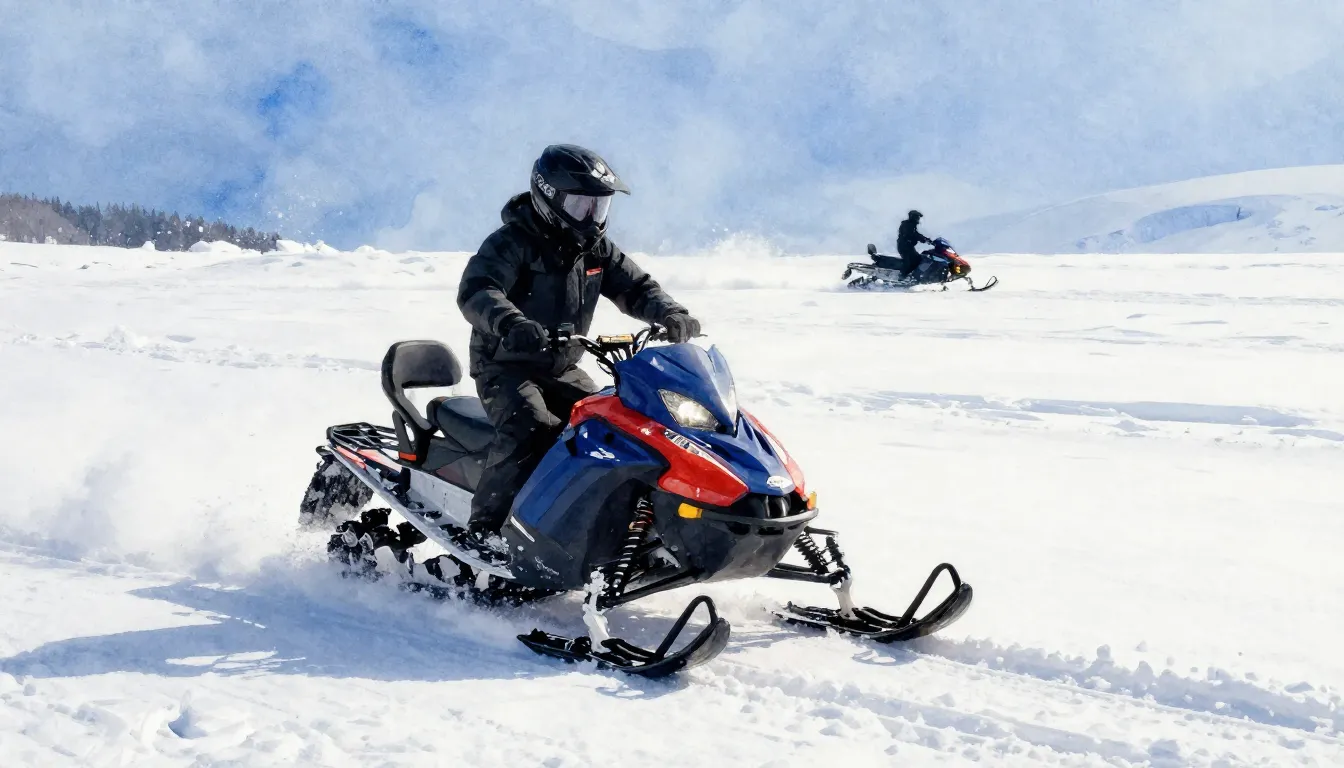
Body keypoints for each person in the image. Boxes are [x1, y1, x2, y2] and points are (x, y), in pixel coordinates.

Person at [457, 144, 701, 535]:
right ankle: (485, 530)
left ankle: (607, 526)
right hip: (505, 365)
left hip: (562, 367)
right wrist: (511, 322)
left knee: (617, 426)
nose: (591, 216)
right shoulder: (512, 242)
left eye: (598, 206)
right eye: (580, 205)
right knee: (531, 428)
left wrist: (671, 313)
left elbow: (636, 287)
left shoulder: (596, 249)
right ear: (548, 198)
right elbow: (479, 289)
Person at [897, 210, 932, 280]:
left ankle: (913, 276)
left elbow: (916, 234)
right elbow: (913, 235)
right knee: (908, 262)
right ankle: (901, 277)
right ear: (913, 217)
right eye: (917, 217)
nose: (918, 219)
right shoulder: (907, 225)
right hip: (904, 247)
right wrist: (924, 239)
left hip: (908, 246)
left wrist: (926, 239)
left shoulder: (911, 225)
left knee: (918, 259)